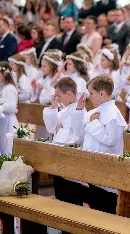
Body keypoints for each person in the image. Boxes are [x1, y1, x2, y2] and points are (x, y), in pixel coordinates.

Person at [71, 75, 127, 213]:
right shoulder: (95, 111)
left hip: (106, 171)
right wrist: (79, 110)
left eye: (92, 93)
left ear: (102, 93)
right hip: (93, 169)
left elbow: (110, 140)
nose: (90, 97)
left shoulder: (113, 114)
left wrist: (93, 123)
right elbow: (79, 132)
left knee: (105, 210)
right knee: (94, 210)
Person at [43, 77, 83, 205]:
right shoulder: (66, 110)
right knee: (60, 195)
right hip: (60, 159)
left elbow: (77, 138)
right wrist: (53, 109)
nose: (57, 99)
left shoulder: (79, 111)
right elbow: (51, 128)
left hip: (72, 161)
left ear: (69, 94)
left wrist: (59, 130)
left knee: (71, 198)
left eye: (59, 96)